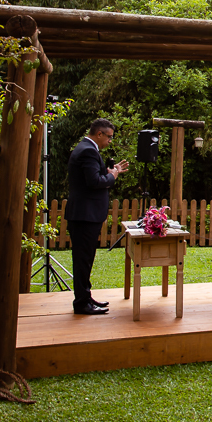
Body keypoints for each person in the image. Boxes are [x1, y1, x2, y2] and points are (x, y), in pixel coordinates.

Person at [65, 118, 129, 315]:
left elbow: (92, 177)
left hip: (86, 215)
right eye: (108, 137)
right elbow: (94, 182)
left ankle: (86, 297)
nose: (110, 140)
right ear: (99, 134)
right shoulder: (87, 151)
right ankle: (82, 303)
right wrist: (113, 176)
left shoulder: (87, 149)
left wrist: (110, 171)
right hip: (84, 216)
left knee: (85, 259)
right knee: (83, 260)